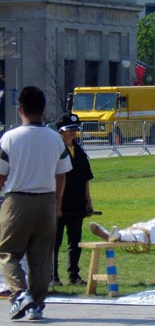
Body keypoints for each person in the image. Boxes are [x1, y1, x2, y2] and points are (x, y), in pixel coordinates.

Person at [0, 86, 73, 321]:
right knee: (41, 256)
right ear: (43, 110)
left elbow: (1, 173)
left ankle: (20, 293)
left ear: (20, 109)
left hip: (17, 200)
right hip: (47, 200)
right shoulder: (55, 138)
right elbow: (62, 173)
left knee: (8, 252)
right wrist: (58, 201)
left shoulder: (10, 138)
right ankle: (37, 305)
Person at [52, 113, 94, 287]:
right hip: (59, 203)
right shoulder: (55, 150)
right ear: (61, 131)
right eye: (69, 129)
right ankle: (53, 276)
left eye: (75, 129)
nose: (73, 133)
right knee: (55, 242)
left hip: (76, 203)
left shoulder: (80, 151)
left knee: (75, 241)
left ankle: (73, 274)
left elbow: (85, 178)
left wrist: (88, 200)